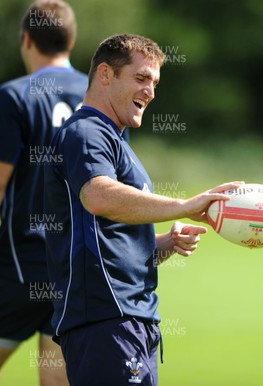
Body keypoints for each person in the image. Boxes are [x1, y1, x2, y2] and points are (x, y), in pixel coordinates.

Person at [43, 33, 242, 386]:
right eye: (140, 78)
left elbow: (108, 234)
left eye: (154, 82)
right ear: (105, 74)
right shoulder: (87, 132)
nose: (150, 91)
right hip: (107, 318)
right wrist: (183, 205)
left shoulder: (115, 139)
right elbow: (99, 197)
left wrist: (162, 244)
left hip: (129, 318)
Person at [0, 1, 86, 384]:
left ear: (26, 39)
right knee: (56, 380)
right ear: (71, 39)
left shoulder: (13, 96)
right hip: (75, 265)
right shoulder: (100, 93)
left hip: (17, 264)